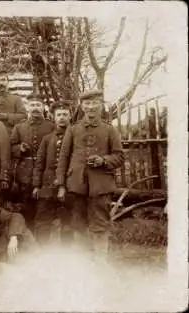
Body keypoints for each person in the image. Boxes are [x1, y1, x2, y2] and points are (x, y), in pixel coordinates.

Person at [56, 90, 124, 258]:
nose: (91, 107)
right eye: (87, 103)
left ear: (101, 106)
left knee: (100, 224)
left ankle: (101, 262)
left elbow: (120, 156)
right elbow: (63, 158)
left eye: (94, 103)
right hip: (76, 185)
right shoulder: (72, 130)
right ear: (82, 106)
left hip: (100, 186)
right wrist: (61, 185)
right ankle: (83, 263)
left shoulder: (109, 130)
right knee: (78, 224)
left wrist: (103, 160)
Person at [10, 93, 55, 232]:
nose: (35, 108)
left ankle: (43, 237)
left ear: (43, 107)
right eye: (32, 105)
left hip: (45, 171)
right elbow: (11, 147)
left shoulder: (51, 126)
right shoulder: (19, 127)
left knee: (44, 205)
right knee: (26, 204)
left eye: (38, 105)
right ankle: (28, 235)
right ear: (27, 107)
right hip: (25, 173)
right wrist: (19, 148)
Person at [32, 103, 73, 246]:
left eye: (65, 114)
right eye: (59, 115)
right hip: (47, 184)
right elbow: (39, 163)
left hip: (69, 183)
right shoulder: (47, 139)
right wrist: (37, 185)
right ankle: (41, 251)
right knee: (43, 219)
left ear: (70, 116)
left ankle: (67, 252)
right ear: (53, 118)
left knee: (68, 220)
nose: (62, 118)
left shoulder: (75, 137)